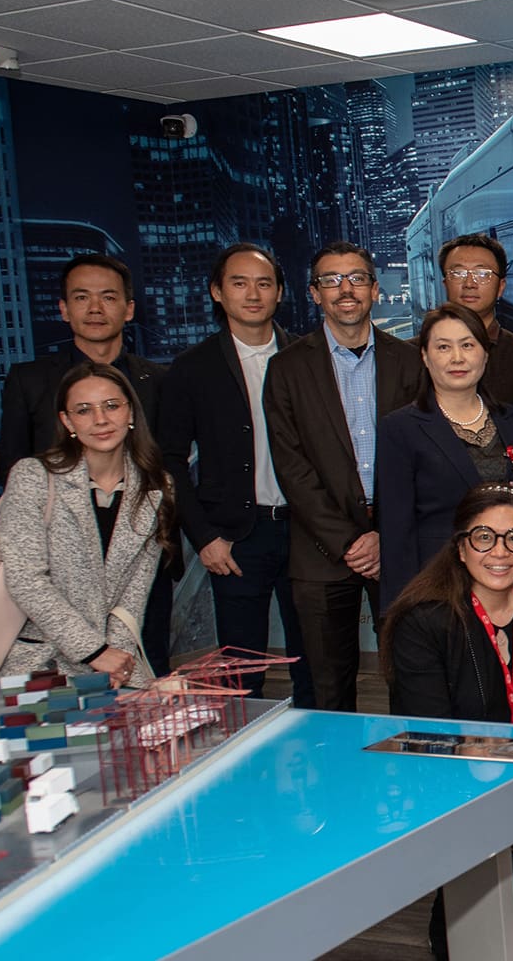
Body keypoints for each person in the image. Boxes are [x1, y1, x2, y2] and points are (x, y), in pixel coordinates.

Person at [381, 482, 513, 961]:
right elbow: (433, 741)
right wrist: (506, 812)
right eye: (484, 537)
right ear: (461, 546)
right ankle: (456, 897)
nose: (500, 552)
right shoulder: (423, 622)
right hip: (446, 788)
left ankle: (506, 873)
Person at [265, 242, 425, 711]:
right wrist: (351, 540)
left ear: (375, 289)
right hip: (320, 549)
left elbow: (422, 455)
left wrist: (384, 533)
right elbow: (291, 466)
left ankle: (413, 777)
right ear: (315, 294)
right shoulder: (287, 368)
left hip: (399, 540)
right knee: (329, 688)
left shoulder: (409, 360)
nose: (345, 289)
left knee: (409, 675)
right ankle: (343, 781)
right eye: (331, 280)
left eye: (355, 278)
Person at [0, 253, 173, 674]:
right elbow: (26, 576)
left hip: (120, 649)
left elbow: (133, 592)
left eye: (112, 406)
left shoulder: (154, 484)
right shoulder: (33, 469)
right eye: (82, 297)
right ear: (67, 419)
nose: (100, 419)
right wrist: (93, 651)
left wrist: (113, 656)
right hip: (40, 652)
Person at [158, 243, 315, 703]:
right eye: (239, 283)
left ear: (280, 293)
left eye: (264, 283)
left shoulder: (308, 357)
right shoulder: (192, 369)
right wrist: (203, 535)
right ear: (217, 292)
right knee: (242, 671)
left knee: (315, 660)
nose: (253, 294)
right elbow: (170, 461)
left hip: (307, 531)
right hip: (234, 538)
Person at [378, 303, 513, 608]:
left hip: (508, 582)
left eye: (467, 345)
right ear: (424, 355)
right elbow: (397, 530)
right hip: (437, 587)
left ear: (485, 354)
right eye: (443, 347)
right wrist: (402, 607)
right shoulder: (400, 428)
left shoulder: (512, 420)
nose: (457, 358)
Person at [439, 233, 513, 414]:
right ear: (445, 284)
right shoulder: (414, 353)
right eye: (458, 273)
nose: (469, 283)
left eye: (483, 274)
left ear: (501, 287)